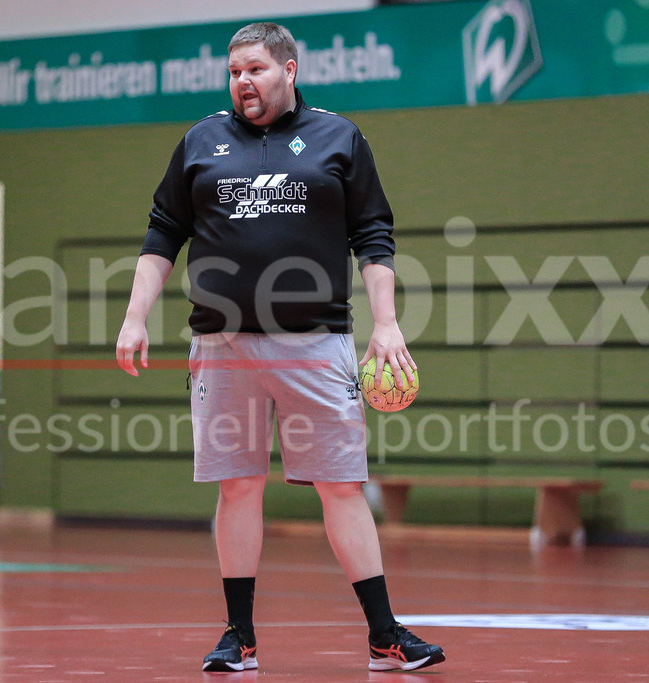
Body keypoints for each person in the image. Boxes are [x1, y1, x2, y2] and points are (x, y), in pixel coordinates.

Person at [116, 21, 445, 673]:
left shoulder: (338, 138)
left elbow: (373, 236)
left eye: (256, 69)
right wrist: (134, 317)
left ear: (289, 70)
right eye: (234, 71)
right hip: (223, 345)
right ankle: (238, 636)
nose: (243, 81)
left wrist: (386, 323)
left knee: (341, 487)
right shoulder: (201, 141)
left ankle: (384, 635)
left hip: (315, 343)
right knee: (238, 487)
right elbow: (163, 233)